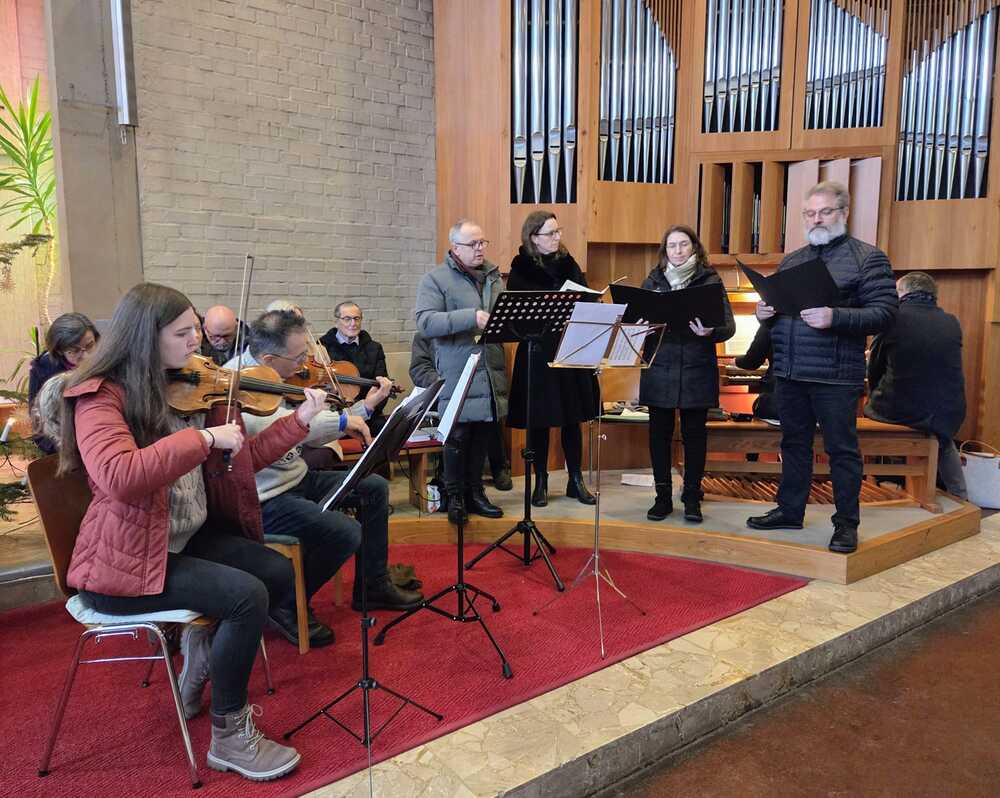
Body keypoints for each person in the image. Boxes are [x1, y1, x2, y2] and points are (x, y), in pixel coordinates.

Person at [56, 283, 321, 781]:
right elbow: (120, 476)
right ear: (145, 336)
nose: (196, 342)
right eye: (183, 334)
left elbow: (242, 461)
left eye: (195, 330)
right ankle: (229, 736)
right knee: (245, 597)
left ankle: (198, 656)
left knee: (274, 572)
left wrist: (300, 420)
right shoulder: (99, 397)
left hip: (181, 539)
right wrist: (201, 437)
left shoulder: (189, 388)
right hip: (122, 565)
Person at [225, 310, 422, 649]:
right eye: (298, 357)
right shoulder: (236, 386)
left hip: (294, 478)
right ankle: (285, 603)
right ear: (269, 358)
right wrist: (347, 419)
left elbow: (308, 430)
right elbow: (287, 426)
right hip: (264, 497)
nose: (305, 364)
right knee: (345, 531)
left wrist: (358, 411)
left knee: (373, 488)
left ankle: (372, 584)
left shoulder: (275, 372)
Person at [747, 181, 898, 554]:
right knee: (793, 444)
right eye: (809, 213)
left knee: (842, 450)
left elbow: (885, 313)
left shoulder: (868, 258)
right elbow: (781, 313)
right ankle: (790, 510)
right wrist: (764, 313)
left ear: (843, 212)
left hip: (836, 376)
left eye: (825, 211)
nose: (816, 219)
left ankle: (846, 524)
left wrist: (835, 316)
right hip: (790, 372)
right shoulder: (793, 260)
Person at [414, 219, 509, 524]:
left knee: (482, 433)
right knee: (457, 436)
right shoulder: (435, 279)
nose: (480, 248)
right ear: (455, 247)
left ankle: (476, 492)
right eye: (473, 244)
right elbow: (426, 322)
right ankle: (454, 496)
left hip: (489, 367)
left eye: (483, 242)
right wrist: (471, 317)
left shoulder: (493, 277)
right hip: (458, 369)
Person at [640, 225, 735, 524]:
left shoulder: (710, 279)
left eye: (683, 244)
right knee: (659, 435)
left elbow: (728, 327)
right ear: (665, 250)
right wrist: (640, 326)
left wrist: (711, 331)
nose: (678, 250)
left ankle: (692, 497)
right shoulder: (653, 281)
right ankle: (662, 498)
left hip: (696, 368)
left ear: (694, 247)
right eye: (672, 245)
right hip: (660, 368)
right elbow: (635, 324)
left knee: (694, 436)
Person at [506, 211, 598, 507]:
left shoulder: (569, 263)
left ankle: (575, 479)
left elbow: (588, 299)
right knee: (540, 420)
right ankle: (541, 480)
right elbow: (516, 315)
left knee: (573, 418)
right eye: (551, 233)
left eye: (559, 231)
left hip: (570, 347)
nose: (558, 237)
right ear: (534, 237)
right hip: (537, 351)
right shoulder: (521, 268)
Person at [864, 272, 967, 499]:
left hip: (902, 408)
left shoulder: (891, 319)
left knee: (870, 412)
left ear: (902, 293)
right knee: (942, 439)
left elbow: (874, 369)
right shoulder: (951, 322)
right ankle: (960, 494)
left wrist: (873, 393)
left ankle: (883, 480)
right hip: (949, 411)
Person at [28, 312, 99, 455]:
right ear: (60, 350)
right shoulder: (43, 370)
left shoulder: (104, 362)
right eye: (75, 351)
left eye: (90, 345)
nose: (86, 356)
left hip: (99, 442)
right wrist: (64, 450)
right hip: (63, 449)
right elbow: (38, 424)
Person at [320, 301, 391, 432]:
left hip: (369, 415)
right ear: (336, 321)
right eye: (347, 319)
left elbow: (381, 386)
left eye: (357, 318)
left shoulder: (374, 348)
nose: (353, 323)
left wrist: (368, 409)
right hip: (335, 416)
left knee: (387, 431)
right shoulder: (322, 348)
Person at [734, 323, 777, 422]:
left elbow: (752, 361)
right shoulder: (813, 320)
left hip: (776, 396)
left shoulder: (771, 322)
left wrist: (736, 361)